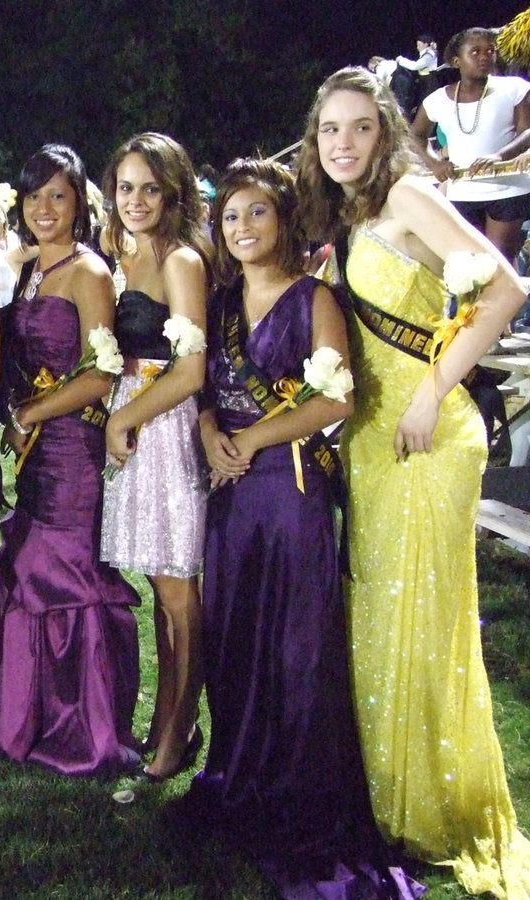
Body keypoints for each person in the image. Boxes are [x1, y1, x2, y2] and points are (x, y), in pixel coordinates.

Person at [297, 66, 530, 897]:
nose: (343, 143)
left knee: (425, 619)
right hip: (373, 440)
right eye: (330, 129)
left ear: (385, 131)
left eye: (359, 127)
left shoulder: (408, 195)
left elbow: (505, 290)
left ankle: (439, 808)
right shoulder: (355, 212)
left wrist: (433, 393)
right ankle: (392, 799)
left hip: (427, 439)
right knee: (380, 614)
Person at [193, 158, 421, 897]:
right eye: (231, 216)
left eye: (256, 212)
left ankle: (296, 787)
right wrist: (209, 434)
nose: (242, 228)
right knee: (234, 634)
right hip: (230, 495)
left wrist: (251, 438)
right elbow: (202, 389)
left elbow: (337, 401)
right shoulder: (220, 302)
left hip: (289, 493)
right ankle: (240, 772)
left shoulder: (315, 297)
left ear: (284, 218)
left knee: (295, 645)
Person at [0, 144, 141, 777]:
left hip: (74, 450)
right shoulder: (28, 272)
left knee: (68, 575)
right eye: (34, 195)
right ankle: (30, 714)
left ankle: (85, 725)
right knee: (30, 568)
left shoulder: (88, 272)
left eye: (58, 196)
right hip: (36, 453)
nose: (44, 208)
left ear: (79, 205)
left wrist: (30, 416)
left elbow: (101, 375)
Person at [100, 133, 208, 783]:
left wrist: (124, 417)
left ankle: (182, 729)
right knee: (160, 589)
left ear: (172, 194)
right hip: (135, 419)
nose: (135, 200)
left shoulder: (180, 261)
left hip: (165, 427)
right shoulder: (124, 249)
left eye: (149, 189)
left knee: (179, 593)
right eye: (125, 188)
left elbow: (191, 371)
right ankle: (167, 717)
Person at [412, 27, 530, 261]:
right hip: (462, 189)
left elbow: (526, 131)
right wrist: (435, 163)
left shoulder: (514, 88)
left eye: (490, 51)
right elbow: (415, 135)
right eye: (475, 52)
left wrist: (500, 156)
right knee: (469, 263)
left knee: (498, 261)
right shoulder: (437, 100)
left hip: (508, 188)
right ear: (456, 60)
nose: (485, 57)